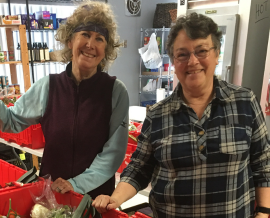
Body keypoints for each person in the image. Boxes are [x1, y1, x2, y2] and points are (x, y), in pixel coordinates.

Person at [93, 12, 270, 217]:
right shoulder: (158, 114)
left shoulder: (244, 102)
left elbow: (262, 162)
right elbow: (139, 169)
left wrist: (265, 211)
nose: (193, 61)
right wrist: (115, 198)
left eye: (201, 51)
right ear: (174, 62)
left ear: (216, 53)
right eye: (182, 54)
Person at [0, 1, 129, 199]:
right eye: (85, 35)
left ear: (106, 50)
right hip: (52, 195)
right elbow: (10, 122)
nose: (90, 44)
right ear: (70, 41)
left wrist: (75, 184)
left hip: (94, 200)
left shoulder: (115, 92)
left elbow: (112, 154)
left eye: (100, 39)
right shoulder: (48, 86)